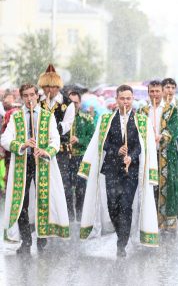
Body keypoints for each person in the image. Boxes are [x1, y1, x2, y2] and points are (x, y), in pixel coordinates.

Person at [79, 85, 159, 257]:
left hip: (131, 171)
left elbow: (141, 145)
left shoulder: (141, 120)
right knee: (113, 205)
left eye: (128, 98)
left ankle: (121, 243)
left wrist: (131, 155)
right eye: (122, 98)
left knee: (125, 205)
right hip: (111, 169)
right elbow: (103, 142)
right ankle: (121, 230)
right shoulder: (106, 119)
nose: (125, 102)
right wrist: (117, 150)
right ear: (116, 99)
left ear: (132, 99)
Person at [1, 83, 70, 254]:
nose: (29, 98)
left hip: (43, 162)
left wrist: (46, 151)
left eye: (32, 95)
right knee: (22, 202)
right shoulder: (16, 117)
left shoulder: (48, 116)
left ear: (37, 96)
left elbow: (56, 140)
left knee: (43, 199)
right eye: (25, 95)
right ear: (21, 97)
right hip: (22, 163)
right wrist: (22, 145)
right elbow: (5, 139)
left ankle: (42, 235)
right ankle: (26, 240)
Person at [138, 80, 178, 231]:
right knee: (151, 184)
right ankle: (151, 220)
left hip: (169, 152)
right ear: (148, 92)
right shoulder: (143, 110)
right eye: (152, 91)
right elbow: (139, 128)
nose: (155, 94)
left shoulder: (173, 109)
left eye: (158, 91)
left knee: (170, 184)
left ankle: (168, 221)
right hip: (149, 153)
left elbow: (176, 127)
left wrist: (164, 137)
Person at [38, 64, 77, 220]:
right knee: (43, 184)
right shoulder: (38, 102)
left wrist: (49, 127)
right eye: (46, 86)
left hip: (60, 149)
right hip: (40, 149)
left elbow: (66, 126)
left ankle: (67, 217)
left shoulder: (67, 104)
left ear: (58, 87)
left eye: (53, 86)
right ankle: (46, 216)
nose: (49, 90)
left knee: (63, 184)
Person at [66, 92, 96, 222]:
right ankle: (69, 216)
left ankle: (80, 215)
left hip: (81, 157)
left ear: (80, 103)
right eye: (70, 103)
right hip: (66, 157)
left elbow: (93, 139)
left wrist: (79, 139)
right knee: (66, 188)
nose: (73, 106)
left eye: (75, 103)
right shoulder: (61, 119)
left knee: (80, 188)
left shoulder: (87, 119)